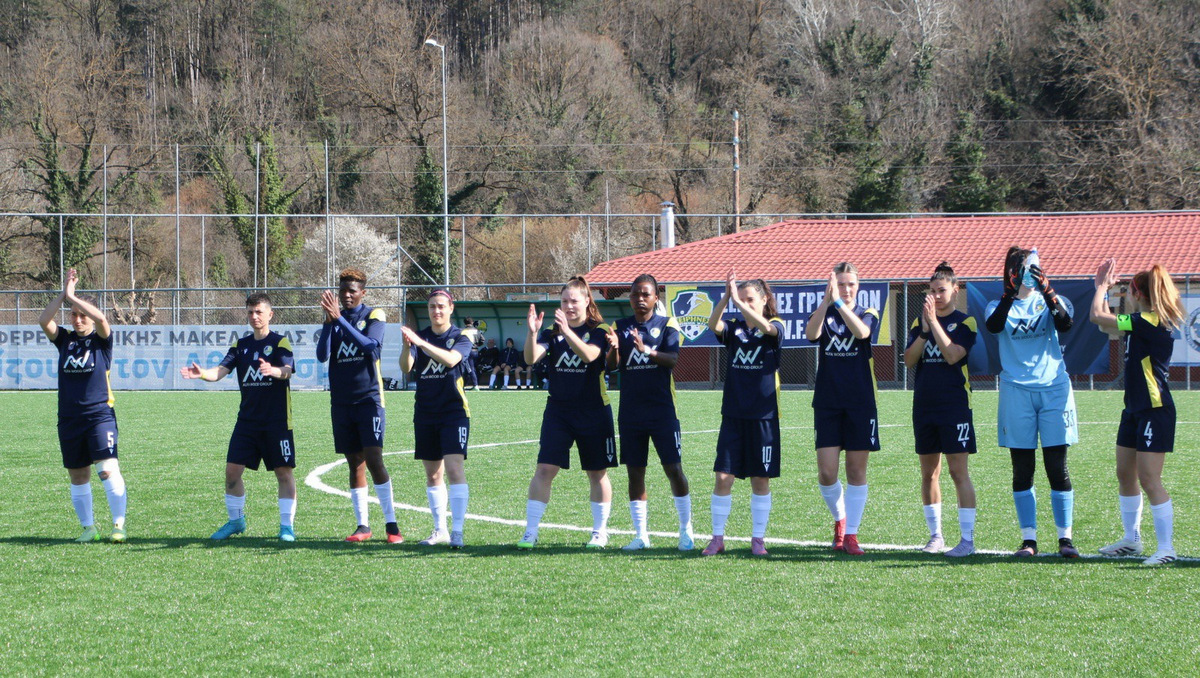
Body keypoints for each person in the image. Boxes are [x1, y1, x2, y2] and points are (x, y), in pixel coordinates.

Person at [181, 293, 298, 542]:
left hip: (277, 422)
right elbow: (220, 372)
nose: (254, 316)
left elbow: (288, 371)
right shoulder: (241, 345)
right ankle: (236, 521)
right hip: (247, 422)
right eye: (250, 312)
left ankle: (286, 527)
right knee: (232, 472)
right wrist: (202, 374)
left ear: (270, 314)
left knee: (283, 472)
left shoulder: (280, 342)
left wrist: (273, 370)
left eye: (259, 312)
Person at [985, 247, 1079, 558]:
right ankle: (1029, 540)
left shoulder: (1049, 299)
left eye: (1033, 268)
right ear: (1012, 272)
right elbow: (994, 326)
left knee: (1057, 466)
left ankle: (1065, 539)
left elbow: (1065, 324)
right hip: (1016, 392)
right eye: (1024, 269)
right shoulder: (996, 305)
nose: (1029, 274)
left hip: (1054, 390)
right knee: (1022, 469)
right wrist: (1010, 294)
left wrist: (1048, 290)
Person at [1090, 259, 1184, 565]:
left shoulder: (1148, 320)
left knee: (1149, 478)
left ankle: (1166, 548)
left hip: (1154, 410)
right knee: (1125, 474)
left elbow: (1097, 316)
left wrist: (1101, 287)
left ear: (1136, 293)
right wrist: (1106, 292)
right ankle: (1132, 539)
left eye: (1127, 292)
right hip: (1134, 409)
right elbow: (1105, 324)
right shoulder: (1139, 321)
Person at [517, 276, 616, 549]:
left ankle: (600, 532)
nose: (569, 306)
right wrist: (533, 333)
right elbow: (530, 358)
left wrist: (568, 332)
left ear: (586, 301)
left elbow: (589, 355)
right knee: (544, 469)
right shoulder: (551, 331)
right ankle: (530, 532)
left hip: (594, 410)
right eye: (564, 301)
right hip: (558, 411)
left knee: (597, 472)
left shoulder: (599, 329)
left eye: (574, 301)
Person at [605, 274, 694, 550]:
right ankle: (641, 535)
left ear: (656, 298)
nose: (640, 299)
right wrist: (613, 349)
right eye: (635, 294)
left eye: (645, 294)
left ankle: (686, 530)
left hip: (662, 410)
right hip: (631, 412)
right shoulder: (619, 326)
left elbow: (673, 359)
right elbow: (611, 366)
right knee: (635, 472)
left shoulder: (667, 324)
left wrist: (648, 351)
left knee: (674, 469)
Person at [39, 269, 127, 543]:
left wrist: (74, 296)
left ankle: (118, 526)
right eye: (73, 315)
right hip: (69, 418)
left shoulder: (101, 341)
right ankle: (89, 529)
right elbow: (44, 321)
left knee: (107, 469)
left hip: (99, 416)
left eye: (82, 315)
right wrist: (64, 295)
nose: (77, 320)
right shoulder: (65, 340)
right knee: (78, 475)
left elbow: (102, 319)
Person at [316, 268, 402, 543]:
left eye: (352, 291)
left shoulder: (374, 315)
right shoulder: (335, 319)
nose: (346, 295)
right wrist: (329, 322)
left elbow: (370, 347)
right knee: (354, 463)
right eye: (342, 290)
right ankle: (363, 526)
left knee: (374, 459)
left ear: (362, 292)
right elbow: (321, 355)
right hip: (342, 402)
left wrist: (340, 319)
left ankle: (392, 525)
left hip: (369, 400)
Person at [701, 270, 783, 557]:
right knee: (723, 477)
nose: (745, 304)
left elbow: (769, 329)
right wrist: (726, 298)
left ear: (764, 300)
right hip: (733, 415)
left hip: (763, 418)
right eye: (742, 299)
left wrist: (740, 303)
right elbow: (713, 324)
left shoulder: (774, 325)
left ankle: (758, 539)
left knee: (760, 480)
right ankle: (717, 538)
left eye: (751, 300)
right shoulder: (734, 328)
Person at [902, 263, 978, 557]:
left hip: (954, 406)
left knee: (958, 472)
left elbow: (952, 355)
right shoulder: (918, 323)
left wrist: (933, 323)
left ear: (955, 290)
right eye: (931, 291)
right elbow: (909, 361)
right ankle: (936, 536)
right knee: (929, 474)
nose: (935, 296)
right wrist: (923, 331)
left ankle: (967, 540)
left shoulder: (965, 322)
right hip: (925, 406)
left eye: (941, 290)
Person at [805, 262, 880, 556]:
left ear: (858, 286)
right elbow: (811, 334)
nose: (846, 289)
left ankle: (851, 535)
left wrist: (839, 303)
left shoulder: (868, 312)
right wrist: (827, 302)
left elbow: (862, 333)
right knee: (826, 472)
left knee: (856, 470)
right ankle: (840, 520)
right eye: (841, 284)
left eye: (851, 284)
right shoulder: (824, 313)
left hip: (860, 402)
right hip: (827, 402)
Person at [400, 290, 472, 549]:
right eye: (432, 307)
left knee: (454, 470)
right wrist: (407, 346)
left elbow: (451, 360)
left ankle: (458, 531)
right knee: (433, 475)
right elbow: (406, 367)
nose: (436, 311)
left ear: (451, 308)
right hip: (425, 412)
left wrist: (420, 343)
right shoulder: (421, 337)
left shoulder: (461, 337)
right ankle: (440, 529)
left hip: (454, 412)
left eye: (441, 306)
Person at [460, 317, 483, 390]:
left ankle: (475, 385)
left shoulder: (463, 331)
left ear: (464, 323)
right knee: (473, 368)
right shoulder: (476, 330)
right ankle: (464, 385)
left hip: (468, 351)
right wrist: (477, 345)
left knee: (470, 368)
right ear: (472, 322)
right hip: (476, 351)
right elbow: (482, 340)